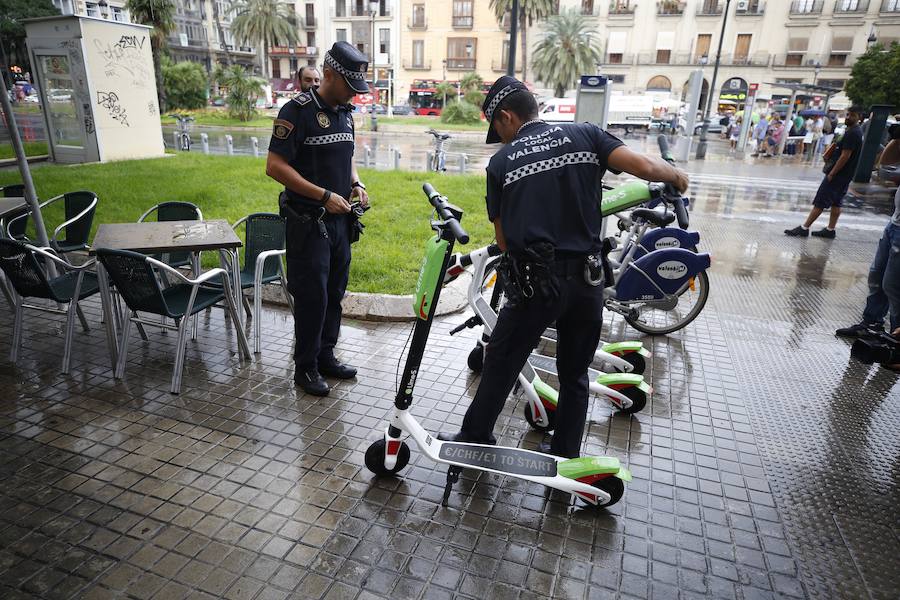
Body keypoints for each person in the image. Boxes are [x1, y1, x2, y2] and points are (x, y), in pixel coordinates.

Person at [437, 76, 689, 458]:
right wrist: (676, 175)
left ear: (506, 116)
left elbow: (503, 242)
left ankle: (475, 437)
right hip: (588, 281)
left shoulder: (501, 163)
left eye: (498, 128)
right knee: (574, 373)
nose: (500, 137)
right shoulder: (586, 135)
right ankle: (566, 451)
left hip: (535, 286)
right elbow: (642, 166)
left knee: (502, 362)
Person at [265, 42, 371, 396]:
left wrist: (356, 183)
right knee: (313, 297)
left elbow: (348, 155)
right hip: (309, 223)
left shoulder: (345, 112)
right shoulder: (297, 111)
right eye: (349, 86)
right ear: (327, 75)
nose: (354, 94)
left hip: (340, 222)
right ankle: (305, 367)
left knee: (334, 293)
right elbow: (275, 166)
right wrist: (324, 195)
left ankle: (326, 355)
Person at [834, 186, 900, 371]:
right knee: (877, 277)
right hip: (895, 223)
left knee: (894, 286)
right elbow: (888, 160)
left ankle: (896, 344)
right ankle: (871, 324)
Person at [785, 106, 864, 239]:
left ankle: (804, 228)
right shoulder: (855, 131)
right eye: (848, 114)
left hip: (839, 174)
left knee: (821, 200)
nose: (848, 117)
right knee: (836, 202)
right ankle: (830, 229)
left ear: (859, 117)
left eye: (852, 115)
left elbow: (845, 156)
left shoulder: (853, 133)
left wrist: (832, 172)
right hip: (845, 175)